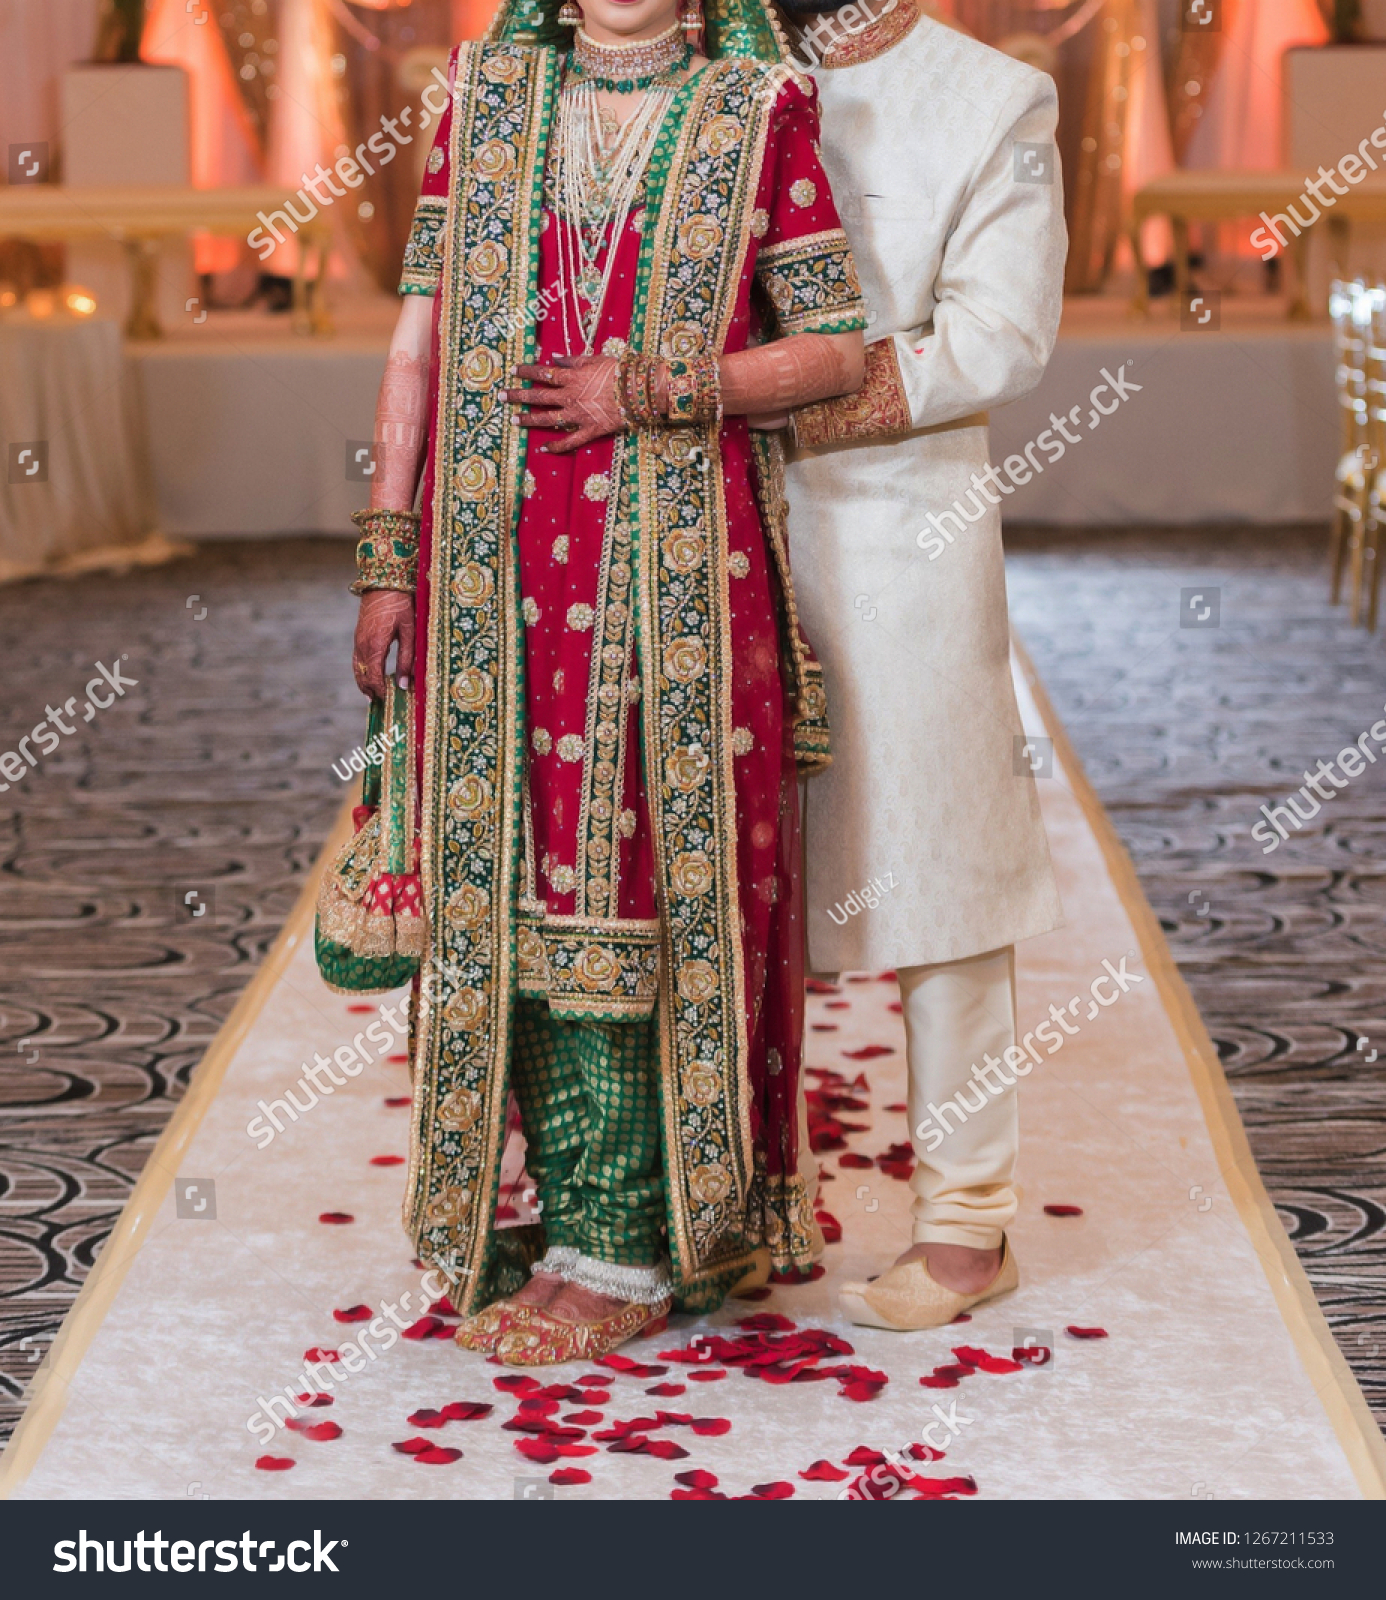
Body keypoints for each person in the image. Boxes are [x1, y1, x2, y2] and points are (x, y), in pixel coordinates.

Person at [348, 0, 866, 1365]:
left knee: (642, 885)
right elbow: (419, 338)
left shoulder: (758, 110)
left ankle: (630, 1246)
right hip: (488, 570)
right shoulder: (486, 94)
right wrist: (387, 551)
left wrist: (651, 386)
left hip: (681, 576)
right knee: (513, 890)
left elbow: (836, 349)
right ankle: (558, 1210)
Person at [770, 0, 1068, 1330]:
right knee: (719, 860)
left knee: (935, 873)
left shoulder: (990, 94)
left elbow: (997, 337)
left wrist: (753, 396)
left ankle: (966, 1222)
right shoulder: (708, 63)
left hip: (900, 531)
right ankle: (717, 1191)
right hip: (702, 521)